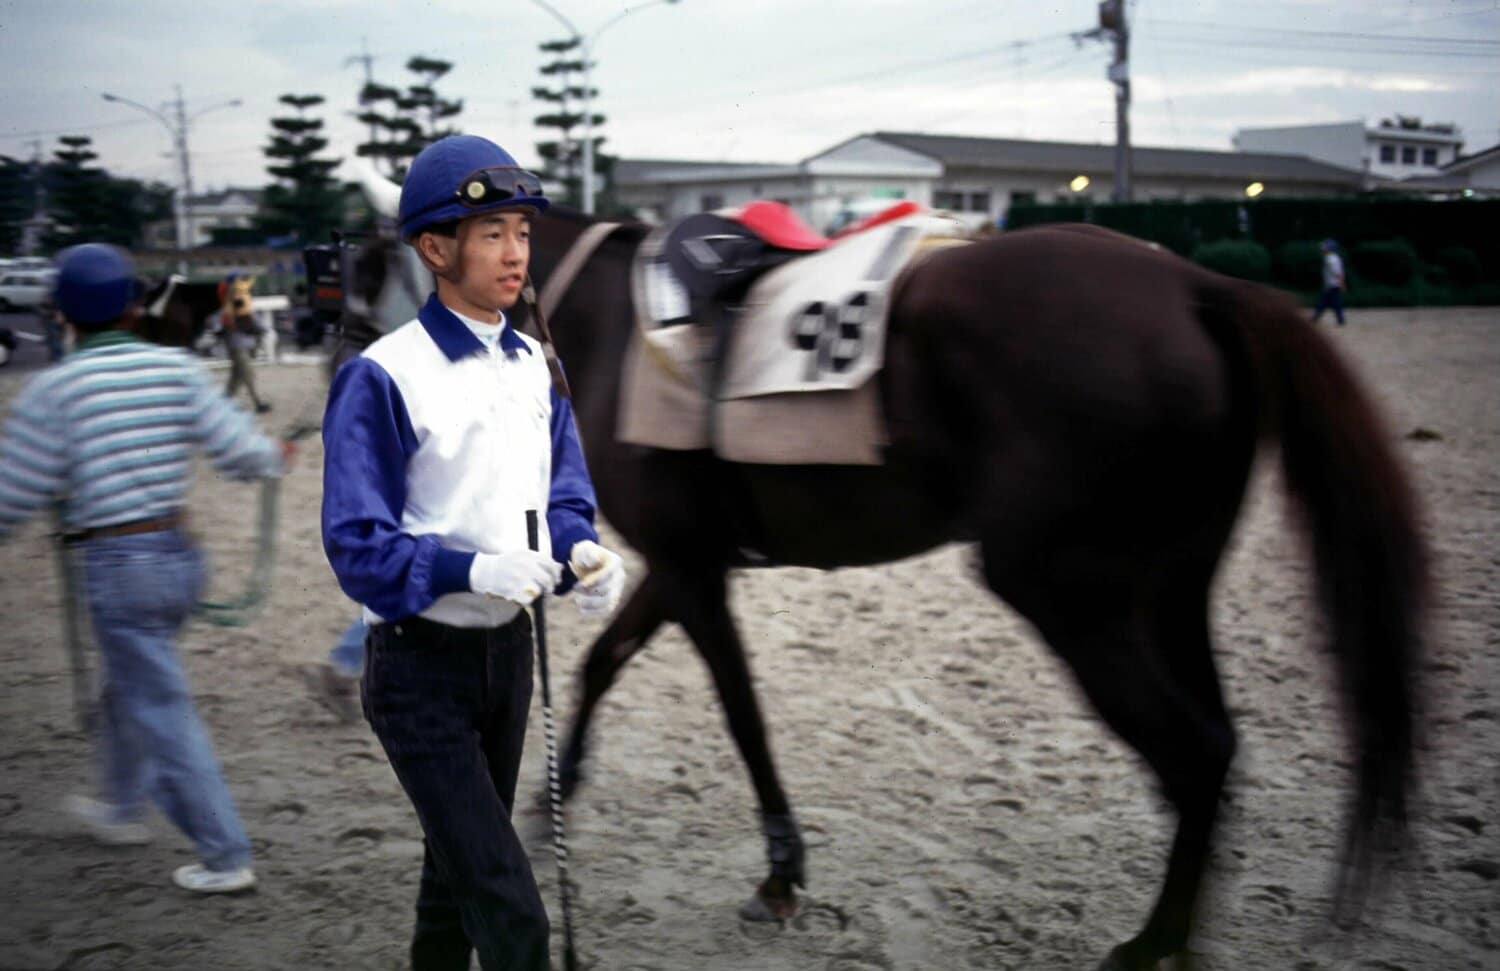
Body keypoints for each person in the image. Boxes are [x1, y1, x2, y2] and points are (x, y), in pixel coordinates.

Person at [321, 133, 627, 971]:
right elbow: (356, 546)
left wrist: (584, 554)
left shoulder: (536, 363)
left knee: (452, 887)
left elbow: (563, 492)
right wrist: (469, 567)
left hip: (510, 658)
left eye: (521, 232)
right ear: (435, 247)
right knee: (511, 910)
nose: (515, 252)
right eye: (491, 233)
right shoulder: (382, 374)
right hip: (420, 671)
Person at [0, 244, 295, 893]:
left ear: (62, 314)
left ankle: (225, 852)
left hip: (117, 564)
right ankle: (119, 805)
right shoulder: (176, 368)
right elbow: (244, 453)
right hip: (179, 560)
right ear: (136, 305)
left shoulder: (54, 388)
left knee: (157, 701)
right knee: (130, 681)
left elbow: (12, 496)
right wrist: (275, 454)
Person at [219, 273, 272, 412]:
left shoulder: (233, 302)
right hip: (238, 346)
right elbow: (251, 320)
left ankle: (223, 403)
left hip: (241, 345)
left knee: (236, 377)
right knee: (247, 374)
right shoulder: (233, 303)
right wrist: (262, 329)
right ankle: (258, 403)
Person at [1311, 237, 1347, 326]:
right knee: (1331, 303)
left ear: (1329, 249)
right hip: (1331, 285)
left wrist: (1341, 283)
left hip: (1333, 285)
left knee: (1327, 303)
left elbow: (1337, 273)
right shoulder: (1332, 258)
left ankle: (1315, 318)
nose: (1322, 249)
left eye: (1324, 247)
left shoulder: (1330, 259)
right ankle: (1340, 320)